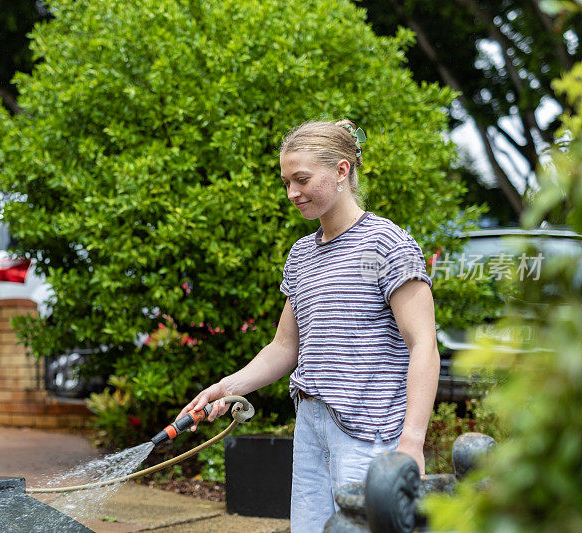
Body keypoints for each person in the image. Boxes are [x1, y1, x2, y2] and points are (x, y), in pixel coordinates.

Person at [176, 119, 440, 532]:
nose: (292, 193)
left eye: (301, 179)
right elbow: (285, 347)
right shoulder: (302, 255)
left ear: (341, 170)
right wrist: (228, 387)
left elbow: (423, 345)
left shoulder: (385, 245)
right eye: (286, 182)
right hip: (311, 426)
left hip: (369, 434)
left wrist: (412, 441)